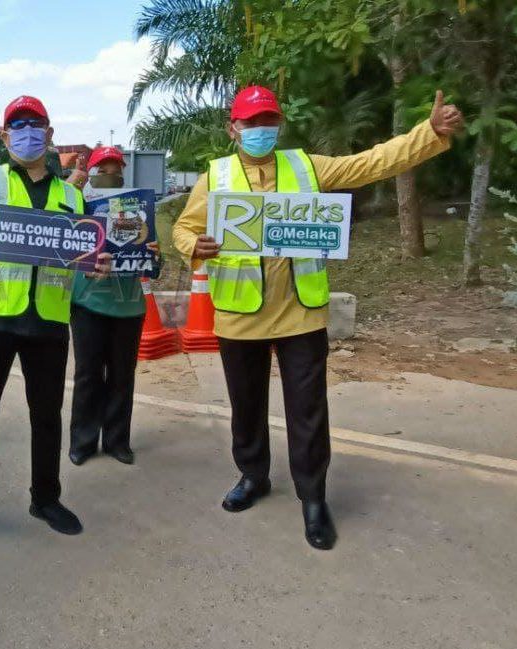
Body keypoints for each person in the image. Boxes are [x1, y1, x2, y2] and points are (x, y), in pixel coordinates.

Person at [173, 85, 464, 551]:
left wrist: (427, 133)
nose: (260, 130)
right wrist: (195, 246)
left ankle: (313, 498)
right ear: (234, 129)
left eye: (269, 121)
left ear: (279, 126)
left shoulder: (306, 166)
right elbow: (185, 228)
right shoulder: (215, 176)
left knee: (308, 412)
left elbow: (372, 162)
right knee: (245, 406)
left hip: (301, 316)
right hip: (238, 317)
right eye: (251, 123)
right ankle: (253, 476)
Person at [0, 96, 109, 549]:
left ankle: (45, 497)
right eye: (18, 124)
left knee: (46, 415)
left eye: (35, 124)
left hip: (49, 319)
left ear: (50, 134)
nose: (28, 131)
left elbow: (81, 252)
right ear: (6, 134)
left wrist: (96, 264)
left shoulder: (72, 195)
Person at [68, 146, 156, 467]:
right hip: (87, 301)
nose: (109, 174)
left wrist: (152, 254)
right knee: (88, 375)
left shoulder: (138, 206)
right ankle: (83, 441)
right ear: (90, 173)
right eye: (101, 169)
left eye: (114, 169)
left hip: (128, 304)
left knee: (122, 376)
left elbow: (149, 259)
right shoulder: (77, 203)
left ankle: (118, 440)